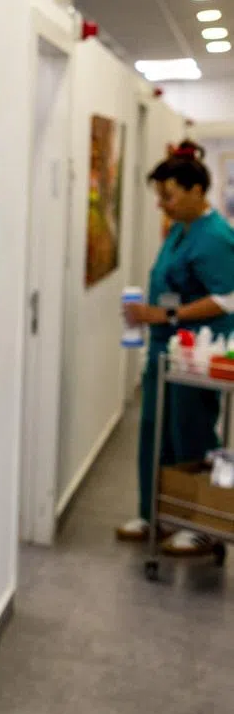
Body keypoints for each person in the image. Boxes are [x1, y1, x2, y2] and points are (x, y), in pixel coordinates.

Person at [117, 141, 234, 556]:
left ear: (196, 190)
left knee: (191, 434)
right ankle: (156, 514)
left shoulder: (216, 236)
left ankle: (200, 526)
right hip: (165, 352)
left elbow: (226, 298)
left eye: (168, 195)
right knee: (154, 431)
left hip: (196, 356)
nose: (161, 204)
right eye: (159, 196)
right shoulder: (179, 232)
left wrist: (166, 317)